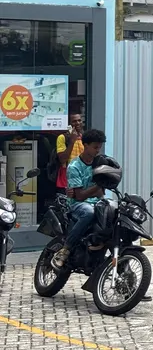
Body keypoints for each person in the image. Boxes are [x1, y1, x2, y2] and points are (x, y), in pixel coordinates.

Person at [52, 129, 106, 269]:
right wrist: (99, 186)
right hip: (77, 205)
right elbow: (80, 196)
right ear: (85, 145)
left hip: (97, 202)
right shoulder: (75, 166)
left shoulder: (101, 163)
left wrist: (95, 190)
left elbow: (101, 192)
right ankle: (66, 248)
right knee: (88, 212)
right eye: (95, 147)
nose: (97, 150)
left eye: (99, 147)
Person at [54, 113, 85, 194]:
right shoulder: (62, 137)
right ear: (69, 124)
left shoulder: (84, 137)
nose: (77, 123)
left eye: (79, 120)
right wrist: (72, 141)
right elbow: (62, 159)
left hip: (82, 176)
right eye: (74, 121)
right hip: (67, 178)